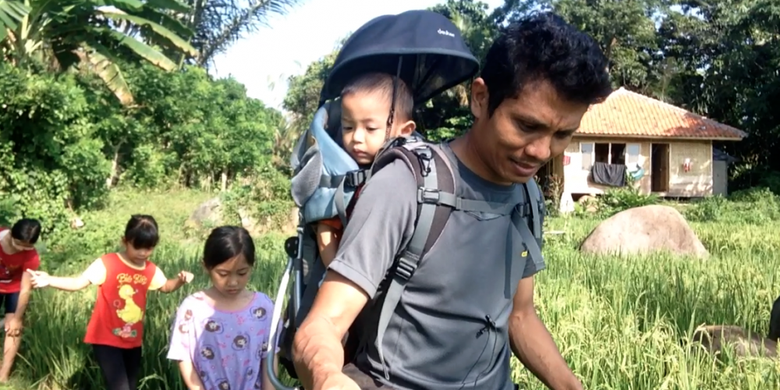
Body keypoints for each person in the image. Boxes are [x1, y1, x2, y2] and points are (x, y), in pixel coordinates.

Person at [291, 11, 613, 390]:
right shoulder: (406, 184)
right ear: (480, 98)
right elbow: (324, 323)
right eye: (527, 126)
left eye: (563, 134)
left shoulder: (524, 195)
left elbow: (520, 317)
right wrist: (329, 377)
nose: (541, 151)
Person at [27, 214, 194, 390]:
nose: (143, 253)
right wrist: (50, 279)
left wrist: (180, 280)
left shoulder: (150, 270)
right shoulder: (107, 263)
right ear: (125, 241)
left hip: (132, 339)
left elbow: (165, 287)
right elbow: (78, 283)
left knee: (130, 386)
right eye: (137, 247)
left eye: (149, 248)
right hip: (105, 338)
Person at [315, 71, 416, 270]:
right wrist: (335, 275)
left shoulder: (413, 176)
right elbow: (325, 229)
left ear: (404, 131)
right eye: (348, 127)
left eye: (370, 129)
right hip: (349, 273)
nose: (357, 138)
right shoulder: (343, 178)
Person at [166, 225, 280, 390]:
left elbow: (269, 356)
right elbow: (183, 357)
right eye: (223, 274)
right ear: (206, 267)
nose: (233, 282)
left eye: (241, 273)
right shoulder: (192, 309)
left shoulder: (263, 308)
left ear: (252, 266)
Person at [0, 218, 41, 382]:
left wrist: (17, 318)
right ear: (10, 233)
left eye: (28, 246)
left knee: (13, 328)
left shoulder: (31, 256)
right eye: (19, 244)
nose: (23, 249)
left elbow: (25, 288)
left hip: (15, 288)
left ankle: (3, 376)